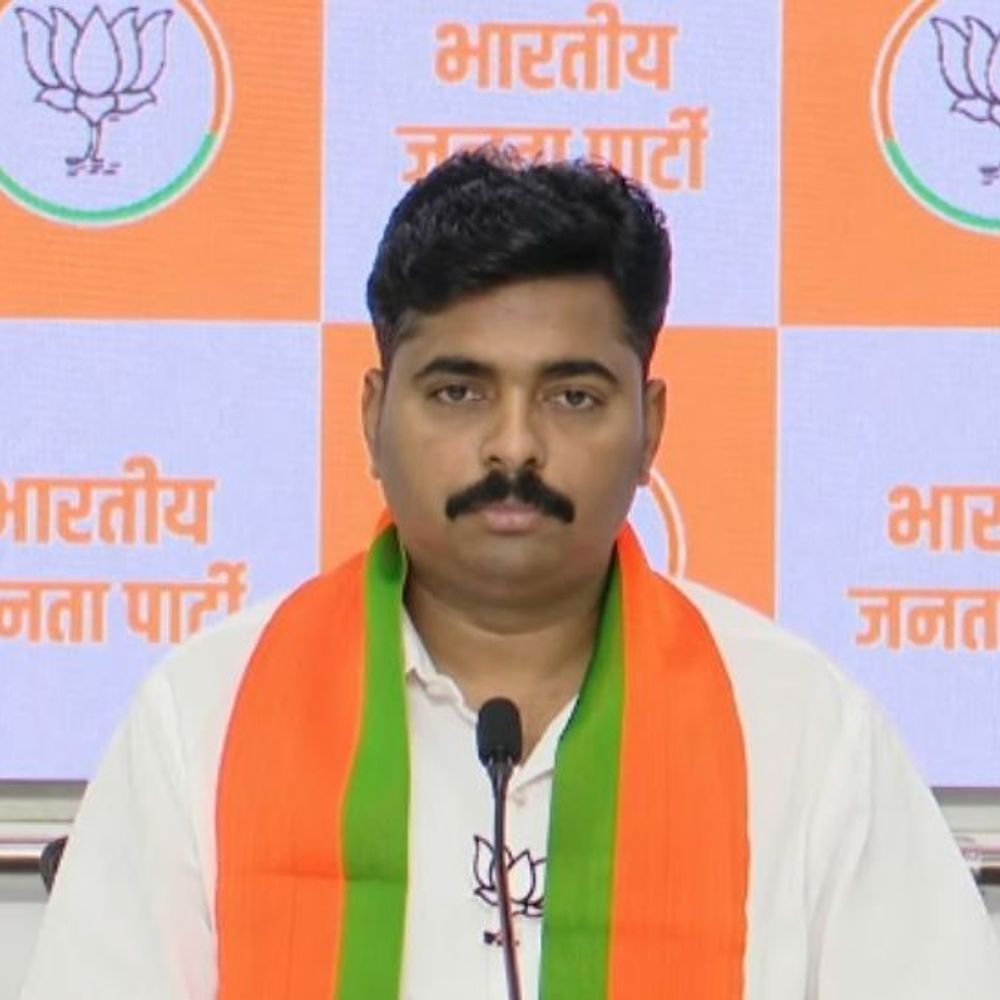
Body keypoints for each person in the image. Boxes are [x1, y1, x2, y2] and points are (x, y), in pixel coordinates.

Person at [20, 147, 1000, 1000]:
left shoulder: (798, 727)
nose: (514, 446)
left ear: (650, 428)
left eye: (572, 396)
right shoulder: (208, 713)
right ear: (373, 416)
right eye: (459, 391)